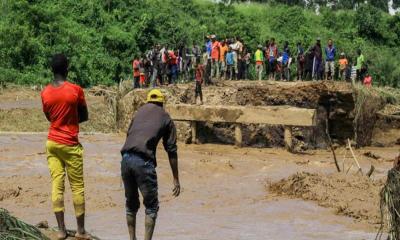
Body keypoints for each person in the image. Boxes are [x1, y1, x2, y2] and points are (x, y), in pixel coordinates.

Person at [41, 54, 90, 240]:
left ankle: (61, 231)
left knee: (57, 185)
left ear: (52, 70)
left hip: (52, 143)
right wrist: (71, 118)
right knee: (77, 187)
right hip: (69, 143)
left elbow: (49, 118)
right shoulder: (75, 90)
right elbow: (84, 116)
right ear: (67, 69)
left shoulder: (45, 93)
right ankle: (80, 231)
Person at [120, 89, 180, 240]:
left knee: (131, 204)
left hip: (126, 159)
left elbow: (129, 135)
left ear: (148, 101)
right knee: (151, 207)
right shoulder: (166, 117)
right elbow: (171, 150)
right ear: (162, 103)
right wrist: (176, 179)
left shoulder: (138, 113)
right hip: (143, 162)